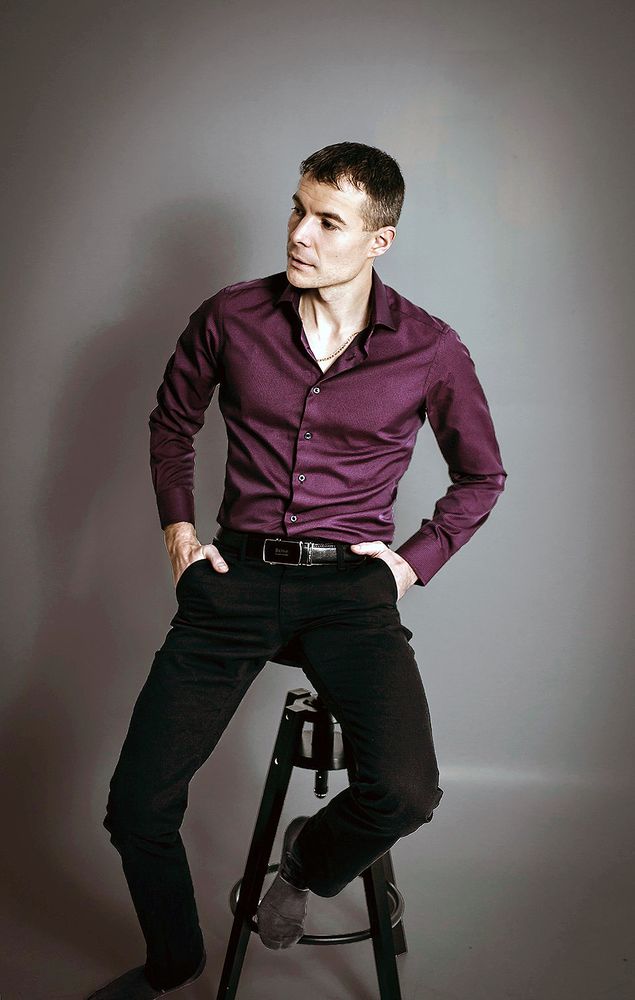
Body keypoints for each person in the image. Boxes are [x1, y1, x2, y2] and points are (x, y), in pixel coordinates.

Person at [87, 141, 507, 999]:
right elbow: (172, 423)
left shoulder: (428, 348)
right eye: (297, 209)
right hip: (234, 580)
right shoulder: (230, 317)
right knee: (135, 807)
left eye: (327, 221)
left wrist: (408, 566)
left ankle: (306, 860)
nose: (299, 234)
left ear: (378, 241)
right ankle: (174, 962)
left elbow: (481, 476)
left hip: (349, 594)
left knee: (405, 792)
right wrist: (179, 536)